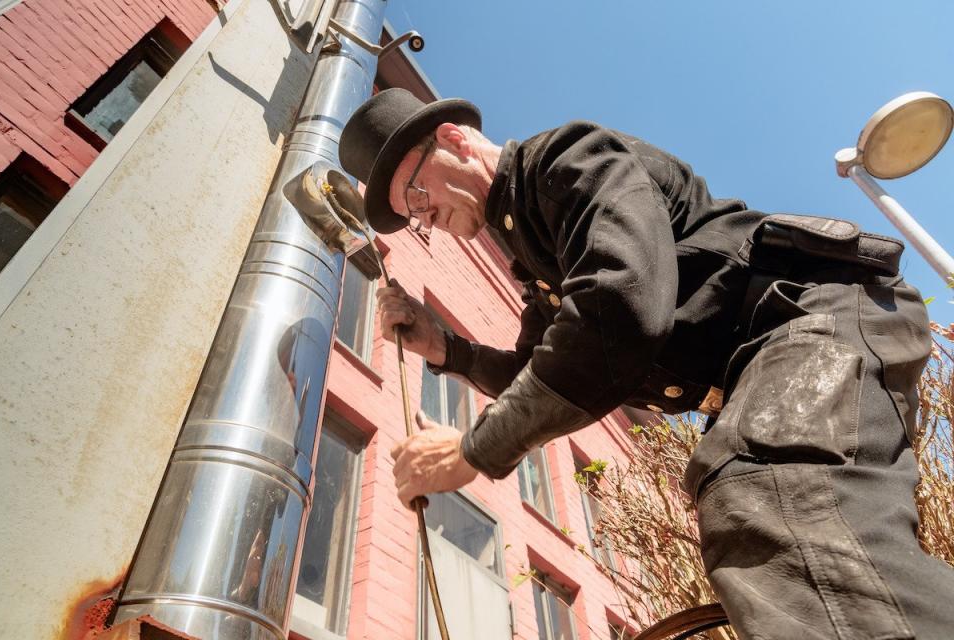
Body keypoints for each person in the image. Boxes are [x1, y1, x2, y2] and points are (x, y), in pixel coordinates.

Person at [338, 88, 954, 639]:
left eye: (416, 192)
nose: (424, 215)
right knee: (754, 516)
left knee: (772, 489)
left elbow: (618, 309)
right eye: (411, 214)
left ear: (454, 139)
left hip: (817, 313)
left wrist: (471, 451)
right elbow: (539, 368)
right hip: (776, 352)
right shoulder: (536, 256)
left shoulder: (566, 161)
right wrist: (444, 346)